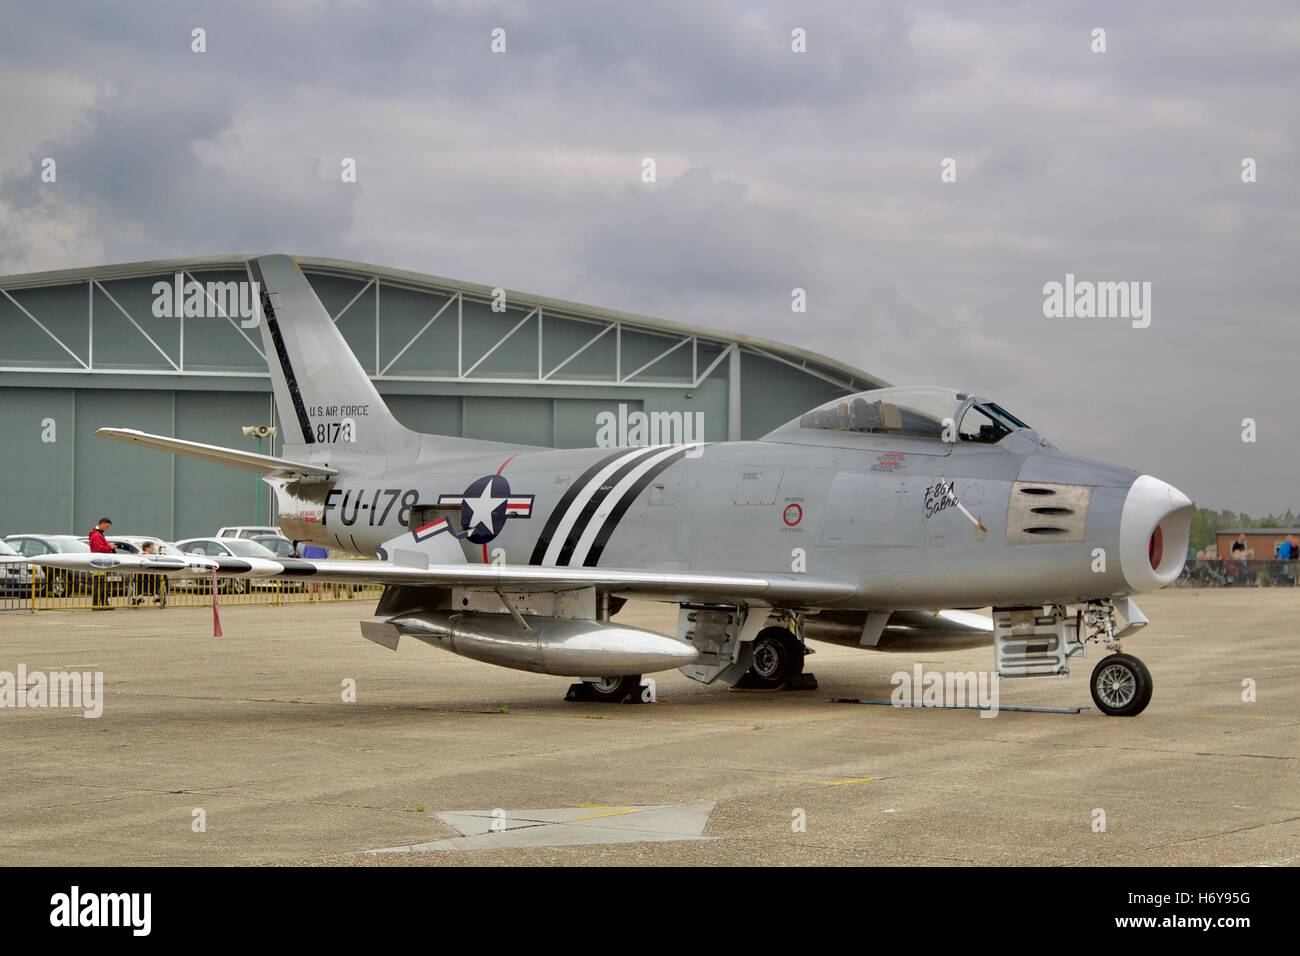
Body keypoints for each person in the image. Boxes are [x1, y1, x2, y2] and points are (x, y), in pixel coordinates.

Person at [88, 517, 114, 610]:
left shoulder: (97, 534)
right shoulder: (96, 535)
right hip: (99, 563)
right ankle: (97, 605)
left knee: (101, 584)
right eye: (107, 527)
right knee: (99, 584)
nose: (107, 529)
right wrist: (109, 547)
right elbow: (98, 549)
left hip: (100, 563)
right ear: (103, 524)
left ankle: (103, 604)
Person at [131, 541, 167, 607]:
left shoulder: (155, 555)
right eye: (151, 547)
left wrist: (162, 554)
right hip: (142, 574)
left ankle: (156, 594)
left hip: (152, 574)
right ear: (146, 548)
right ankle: (139, 595)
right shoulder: (140, 554)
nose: (153, 549)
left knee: (157, 576)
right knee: (139, 576)